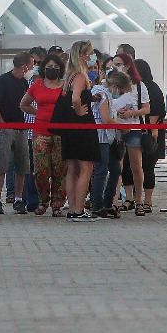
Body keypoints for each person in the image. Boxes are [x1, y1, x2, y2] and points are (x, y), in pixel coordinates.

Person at [19, 51, 70, 216]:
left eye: (55, 67)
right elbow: (24, 104)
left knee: (60, 170)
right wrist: (38, 113)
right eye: (49, 67)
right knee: (40, 170)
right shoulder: (37, 85)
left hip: (61, 133)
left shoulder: (65, 85)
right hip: (40, 131)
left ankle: (57, 204)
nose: (52, 69)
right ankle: (43, 201)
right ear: (43, 68)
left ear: (60, 69)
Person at [58, 42, 99, 220]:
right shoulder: (81, 76)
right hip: (83, 125)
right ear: (82, 55)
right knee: (86, 168)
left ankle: (73, 208)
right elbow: (76, 98)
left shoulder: (69, 76)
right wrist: (79, 109)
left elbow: (73, 95)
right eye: (89, 54)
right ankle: (79, 209)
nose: (91, 57)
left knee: (72, 168)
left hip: (70, 127)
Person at [0, 52, 32, 214]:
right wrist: (2, 123)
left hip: (21, 128)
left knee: (22, 164)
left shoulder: (24, 83)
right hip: (7, 127)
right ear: (24, 66)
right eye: (31, 65)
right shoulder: (3, 81)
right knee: (2, 164)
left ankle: (18, 199)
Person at [89, 70, 131, 217]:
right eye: (121, 90)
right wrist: (122, 126)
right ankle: (98, 205)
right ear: (115, 86)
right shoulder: (103, 93)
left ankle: (107, 203)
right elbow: (106, 119)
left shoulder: (103, 93)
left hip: (108, 138)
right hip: (100, 138)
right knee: (101, 171)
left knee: (114, 170)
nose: (120, 93)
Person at [129, 59, 167, 214]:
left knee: (148, 167)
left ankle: (147, 200)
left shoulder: (151, 87)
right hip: (140, 130)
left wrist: (149, 130)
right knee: (139, 167)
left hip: (149, 132)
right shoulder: (132, 87)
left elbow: (156, 112)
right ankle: (138, 200)